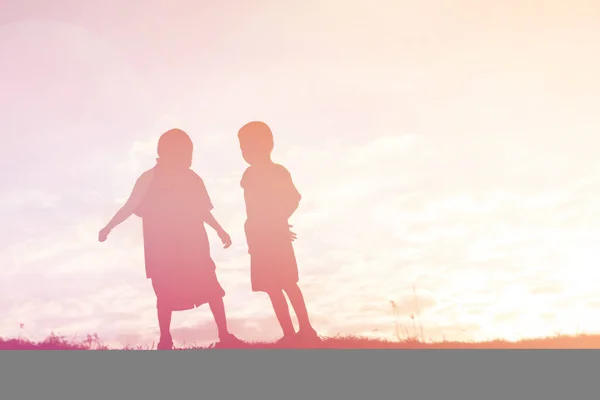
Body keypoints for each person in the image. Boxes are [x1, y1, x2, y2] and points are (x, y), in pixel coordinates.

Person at [98, 128, 241, 350]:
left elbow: (203, 210)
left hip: (194, 246)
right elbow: (130, 205)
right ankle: (165, 340)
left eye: (189, 153)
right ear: (165, 153)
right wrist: (108, 227)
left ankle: (224, 335)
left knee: (211, 288)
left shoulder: (193, 179)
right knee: (164, 293)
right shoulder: (149, 178)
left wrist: (220, 230)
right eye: (182, 153)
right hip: (162, 250)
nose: (188, 158)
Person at [238, 121, 318, 343]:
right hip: (258, 236)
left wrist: (279, 218)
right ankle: (290, 333)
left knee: (287, 283)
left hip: (274, 235)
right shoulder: (249, 175)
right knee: (273, 287)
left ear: (269, 145)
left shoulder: (278, 172)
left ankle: (306, 330)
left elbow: (294, 198)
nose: (246, 152)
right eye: (243, 148)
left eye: (250, 146)